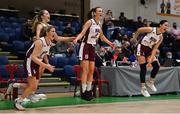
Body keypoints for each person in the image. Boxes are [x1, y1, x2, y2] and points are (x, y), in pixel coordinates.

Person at [73, 7, 114, 101]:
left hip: (92, 47)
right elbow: (82, 33)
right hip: (85, 46)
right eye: (99, 11)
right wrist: (76, 39)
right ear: (94, 13)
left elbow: (102, 37)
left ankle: (88, 90)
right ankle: (83, 91)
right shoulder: (89, 22)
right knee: (85, 70)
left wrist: (110, 43)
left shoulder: (99, 24)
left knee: (91, 70)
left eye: (102, 11)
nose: (101, 12)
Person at [14, 25, 57, 110]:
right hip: (30, 62)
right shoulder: (40, 42)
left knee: (34, 86)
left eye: (55, 31)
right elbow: (33, 57)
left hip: (37, 63)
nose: (54, 33)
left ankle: (16, 86)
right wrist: (46, 66)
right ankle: (19, 101)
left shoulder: (49, 43)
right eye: (52, 31)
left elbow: (44, 54)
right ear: (47, 33)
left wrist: (48, 64)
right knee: (32, 86)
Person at [131, 20, 169, 97]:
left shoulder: (161, 37)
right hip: (141, 47)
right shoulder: (151, 29)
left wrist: (151, 58)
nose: (166, 27)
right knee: (143, 67)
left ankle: (150, 82)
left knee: (157, 66)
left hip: (149, 50)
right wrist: (134, 38)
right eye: (165, 25)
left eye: (167, 26)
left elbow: (155, 48)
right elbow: (139, 30)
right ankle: (143, 88)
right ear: (160, 25)